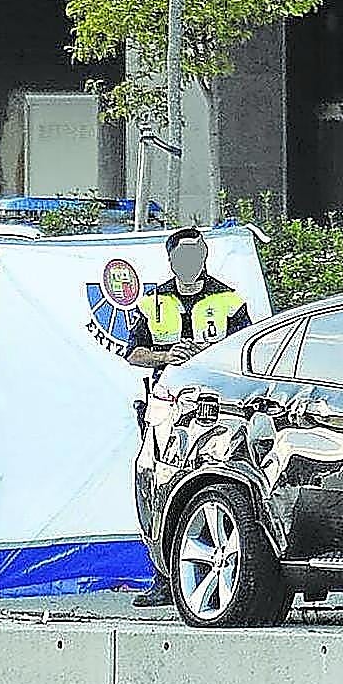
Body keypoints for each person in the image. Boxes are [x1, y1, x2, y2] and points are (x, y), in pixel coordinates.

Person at [124, 227, 252, 606]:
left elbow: (248, 348)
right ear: (171, 259)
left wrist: (205, 353)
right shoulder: (154, 301)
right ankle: (163, 578)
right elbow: (134, 354)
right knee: (158, 485)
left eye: (198, 254)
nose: (191, 262)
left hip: (214, 408)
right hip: (166, 406)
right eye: (184, 255)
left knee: (208, 486)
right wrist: (168, 356)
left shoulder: (227, 298)